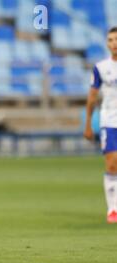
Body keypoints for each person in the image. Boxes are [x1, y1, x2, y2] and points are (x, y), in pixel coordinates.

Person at [83, 26, 117, 224]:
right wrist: (88, 123)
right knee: (112, 163)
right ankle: (113, 209)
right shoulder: (101, 68)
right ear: (107, 43)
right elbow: (92, 97)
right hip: (110, 120)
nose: (114, 44)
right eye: (111, 40)